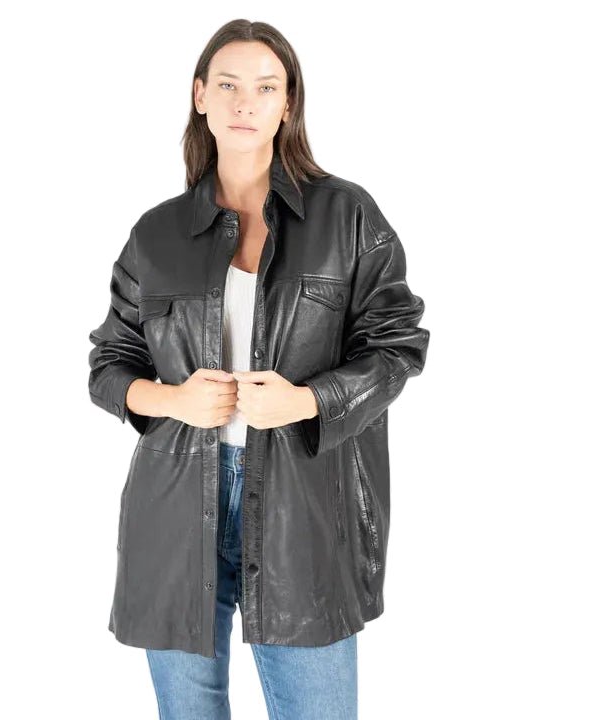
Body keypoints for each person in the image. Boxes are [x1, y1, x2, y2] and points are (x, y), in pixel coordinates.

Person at [88, 18, 429, 720]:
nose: (246, 103)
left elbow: (398, 344)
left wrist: (308, 401)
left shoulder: (346, 215)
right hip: (176, 504)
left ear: (288, 103)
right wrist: (174, 399)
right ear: (200, 96)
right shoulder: (156, 234)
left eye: (266, 87)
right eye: (229, 85)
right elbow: (109, 363)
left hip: (304, 502)